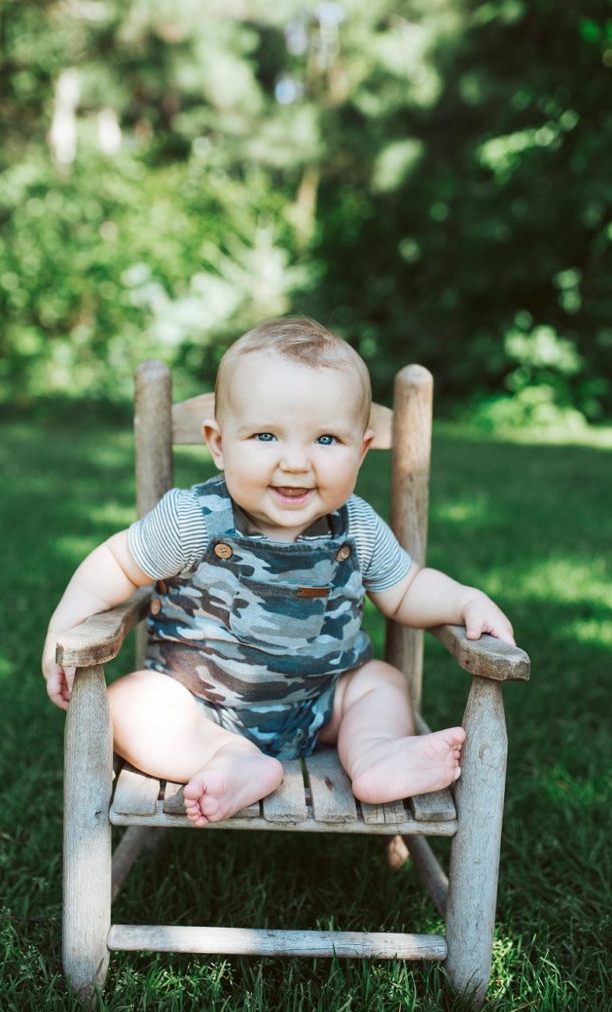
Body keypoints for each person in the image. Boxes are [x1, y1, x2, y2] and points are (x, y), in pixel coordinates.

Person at [43, 316, 515, 827]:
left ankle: (376, 753)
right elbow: (113, 565)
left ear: (361, 451)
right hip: (197, 706)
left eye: (327, 440)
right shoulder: (192, 518)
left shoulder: (356, 524)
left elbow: (406, 591)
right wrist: (63, 627)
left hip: (323, 702)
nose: (295, 462)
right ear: (219, 445)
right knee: (130, 702)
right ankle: (229, 758)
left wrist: (465, 600)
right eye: (266, 435)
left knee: (380, 683)